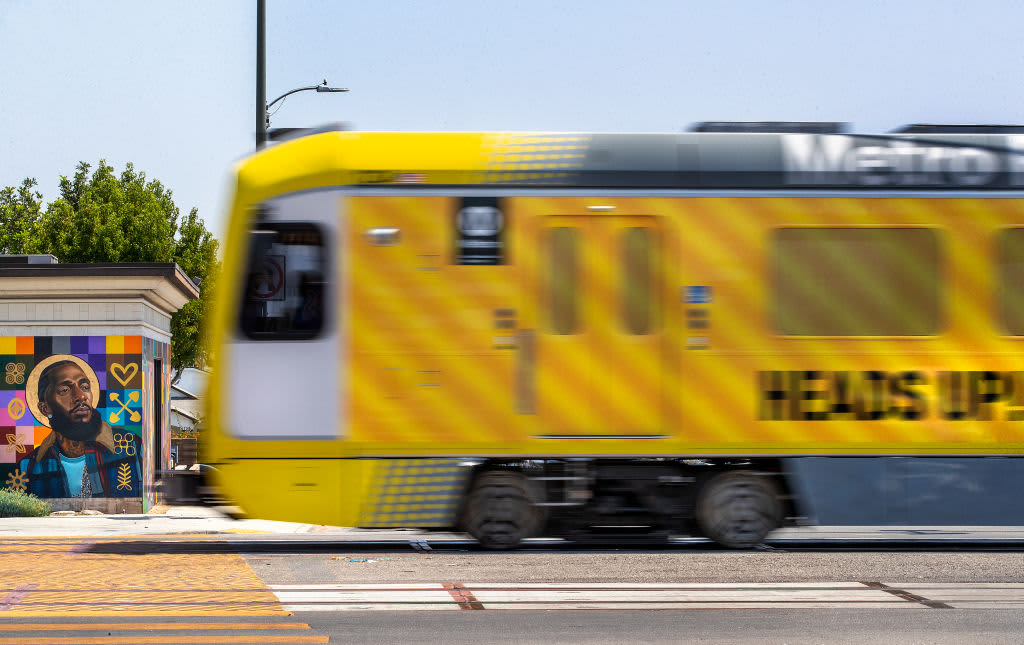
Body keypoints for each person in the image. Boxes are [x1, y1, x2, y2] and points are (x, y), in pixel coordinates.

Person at [18, 358, 142, 498]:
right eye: (64, 390)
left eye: (85, 387)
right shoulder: (28, 466)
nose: (81, 396)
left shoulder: (131, 446)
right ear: (45, 408)